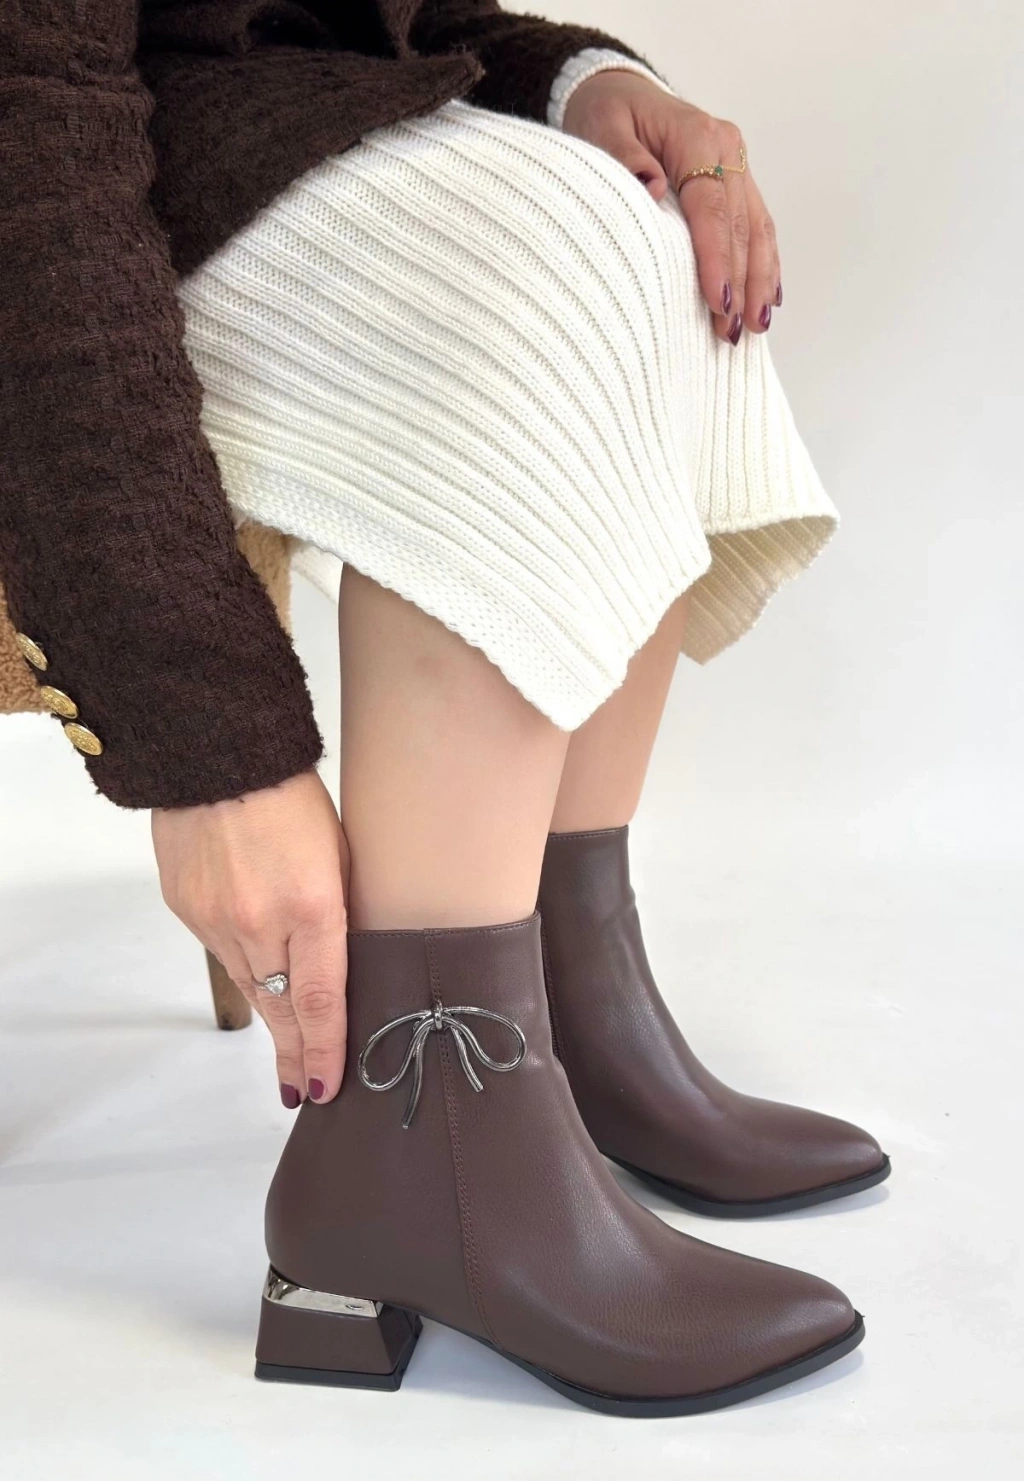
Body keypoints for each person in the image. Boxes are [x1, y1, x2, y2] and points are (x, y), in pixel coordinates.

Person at [1, 1, 889, 1416]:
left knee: (648, 225)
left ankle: (559, 1014)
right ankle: (428, 1138)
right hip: (50, 186)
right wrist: (209, 752)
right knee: (527, 259)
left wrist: (580, 83)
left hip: (184, 123)